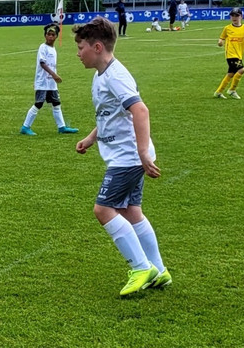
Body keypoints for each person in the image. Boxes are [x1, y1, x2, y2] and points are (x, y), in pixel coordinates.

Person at [73, 17, 170, 296]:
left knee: (103, 210)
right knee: (130, 210)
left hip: (128, 157)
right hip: (125, 154)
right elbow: (112, 114)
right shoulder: (101, 74)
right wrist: (92, 138)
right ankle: (159, 270)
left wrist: (141, 153)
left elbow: (140, 110)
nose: (78, 54)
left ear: (98, 47)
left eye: (81, 48)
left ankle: (141, 268)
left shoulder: (115, 76)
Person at [20, 23, 79, 136]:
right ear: (45, 35)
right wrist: (54, 75)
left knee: (56, 103)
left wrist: (53, 77)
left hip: (51, 83)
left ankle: (62, 127)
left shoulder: (53, 49)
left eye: (53, 35)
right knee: (39, 104)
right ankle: (25, 127)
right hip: (43, 81)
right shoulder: (43, 47)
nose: (50, 37)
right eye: (48, 34)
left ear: (56, 36)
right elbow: (42, 63)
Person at [214, 7, 244, 99]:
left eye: (237, 15)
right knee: (242, 70)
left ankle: (218, 92)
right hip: (230, 54)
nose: (234, 17)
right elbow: (222, 38)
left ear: (241, 16)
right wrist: (220, 42)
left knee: (231, 74)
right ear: (230, 17)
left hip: (239, 54)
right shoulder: (227, 28)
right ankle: (232, 90)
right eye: (232, 15)